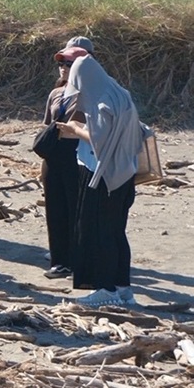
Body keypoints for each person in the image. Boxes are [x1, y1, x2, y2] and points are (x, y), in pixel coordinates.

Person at [56, 53, 144, 307]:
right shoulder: (120, 93)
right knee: (117, 232)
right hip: (125, 173)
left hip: (104, 175)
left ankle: (106, 289)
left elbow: (100, 140)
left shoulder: (102, 101)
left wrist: (74, 130)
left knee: (100, 233)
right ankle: (123, 287)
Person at [40, 44, 87, 280]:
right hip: (54, 154)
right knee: (55, 209)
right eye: (61, 64)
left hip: (78, 154)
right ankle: (59, 261)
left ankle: (79, 259)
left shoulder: (90, 93)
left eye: (68, 64)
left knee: (76, 208)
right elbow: (47, 124)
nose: (63, 69)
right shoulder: (56, 93)